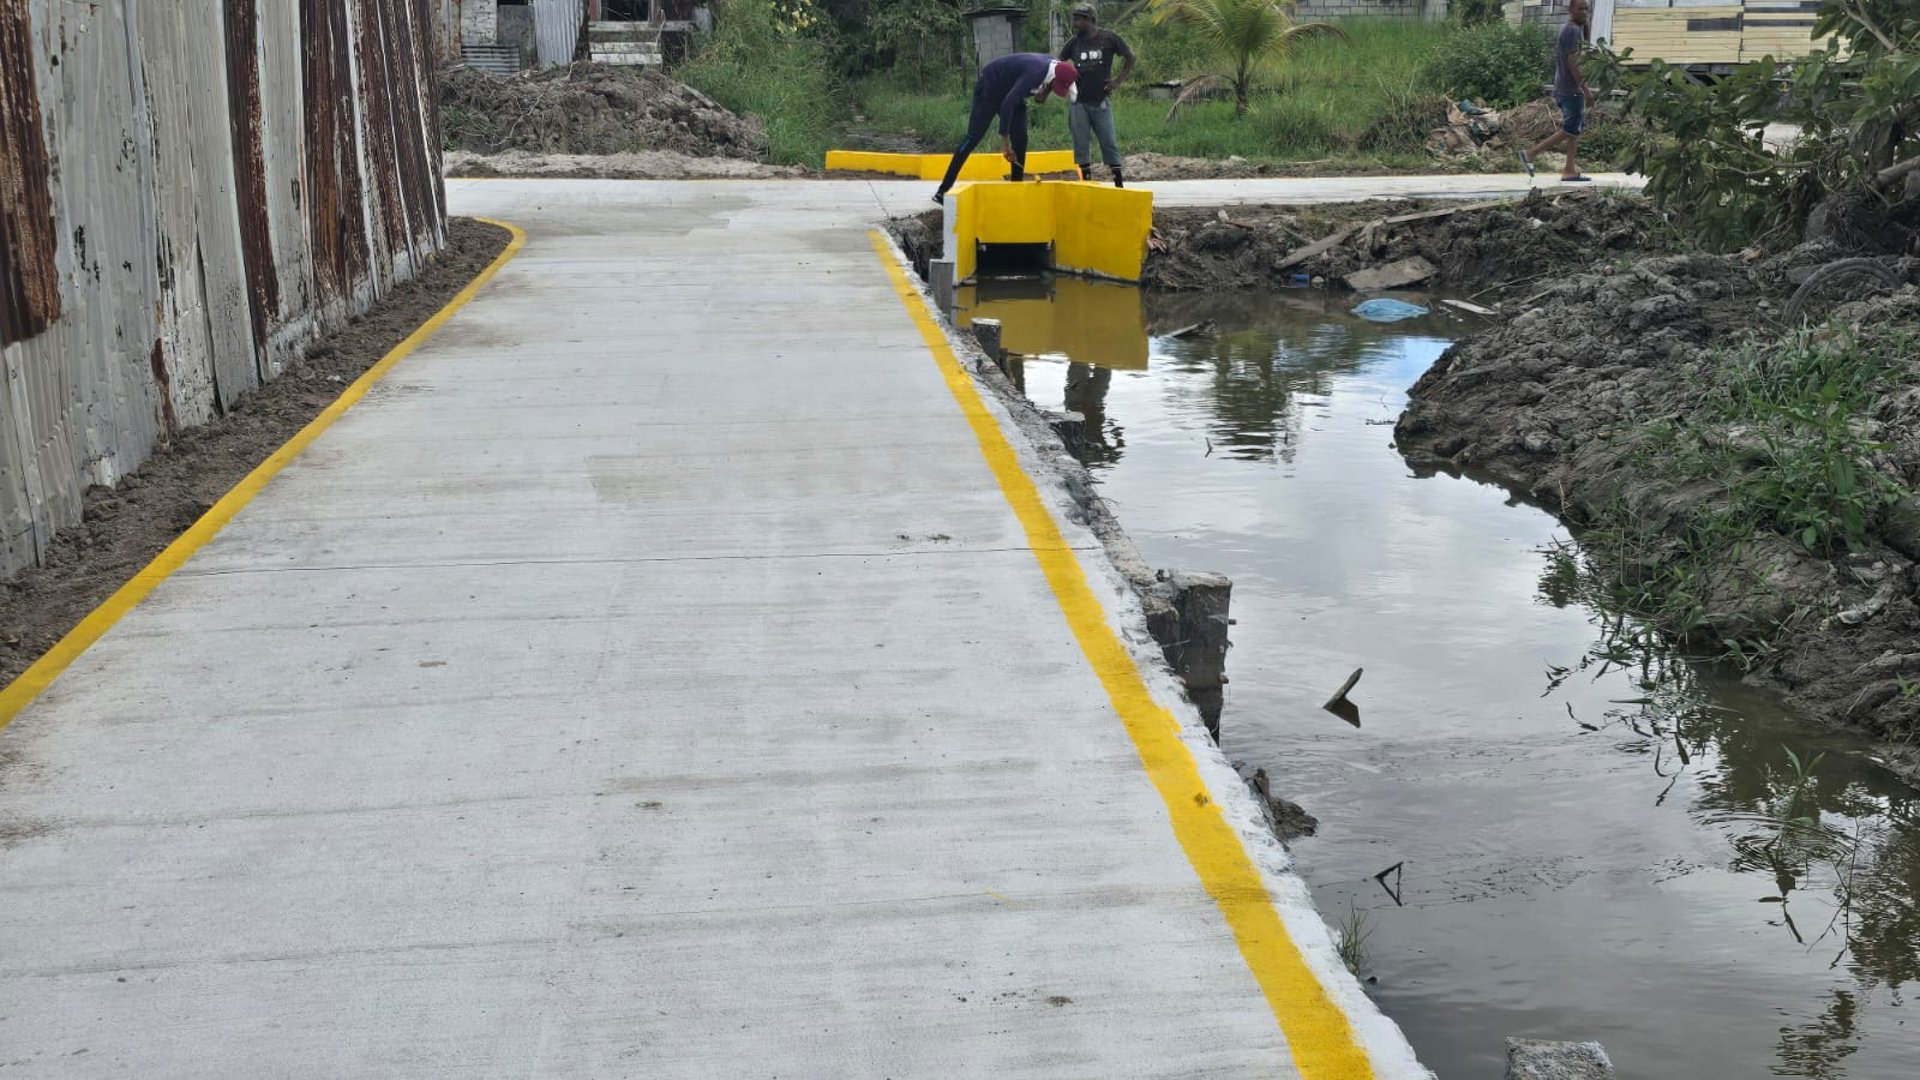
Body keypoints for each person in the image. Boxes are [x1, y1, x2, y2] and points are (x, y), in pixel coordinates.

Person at [933, 54, 1078, 205]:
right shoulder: (1035, 73)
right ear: (1053, 78)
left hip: (1011, 90)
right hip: (990, 87)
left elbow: (1047, 90)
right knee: (972, 137)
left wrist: (1044, 94)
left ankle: (1016, 190)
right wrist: (1004, 144)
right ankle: (943, 191)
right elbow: (1007, 105)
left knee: (1021, 139)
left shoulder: (1059, 69)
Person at [1519, 0, 1596, 183]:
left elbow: (1585, 48)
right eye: (1580, 9)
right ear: (1570, 10)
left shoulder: (1576, 29)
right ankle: (1531, 153)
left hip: (1565, 87)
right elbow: (1573, 63)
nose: (1584, 12)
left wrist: (1586, 25)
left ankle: (1569, 170)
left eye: (1586, 9)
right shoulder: (1571, 31)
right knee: (1570, 130)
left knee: (1575, 129)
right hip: (1570, 88)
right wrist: (1585, 89)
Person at [1059, 2, 1134, 187]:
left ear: (1089, 20)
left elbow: (1130, 57)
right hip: (1078, 102)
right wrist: (1065, 84)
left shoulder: (1108, 38)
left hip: (1100, 100)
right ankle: (1087, 184)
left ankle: (1118, 184)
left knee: (1108, 142)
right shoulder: (1073, 43)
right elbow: (1058, 64)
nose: (1075, 23)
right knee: (1081, 144)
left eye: (1078, 19)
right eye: (1074, 19)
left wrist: (1117, 81)